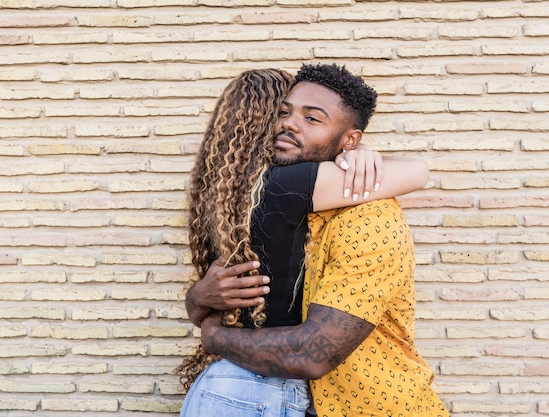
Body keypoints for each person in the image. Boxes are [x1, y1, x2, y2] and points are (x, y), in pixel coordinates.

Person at [193, 64, 450, 417]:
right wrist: (198, 299)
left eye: (312, 119)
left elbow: (312, 353)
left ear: (349, 140)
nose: (289, 123)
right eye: (283, 112)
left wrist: (211, 334)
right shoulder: (271, 199)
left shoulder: (368, 218)